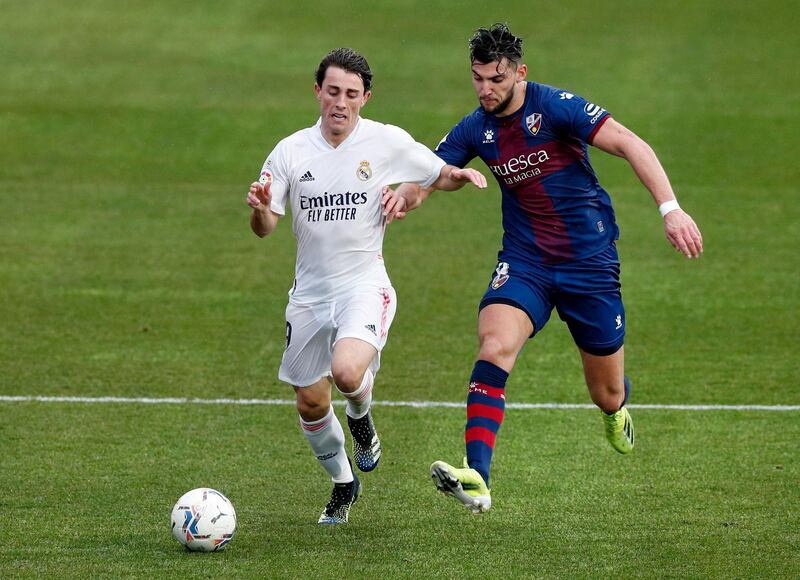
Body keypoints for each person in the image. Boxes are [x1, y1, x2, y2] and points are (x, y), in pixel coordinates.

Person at [384, 24, 703, 513]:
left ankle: (617, 411)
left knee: (606, 391)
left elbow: (631, 144)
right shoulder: (475, 128)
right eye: (477, 78)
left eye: (496, 78)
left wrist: (671, 209)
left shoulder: (556, 107)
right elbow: (429, 175)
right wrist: (403, 197)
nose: (486, 89)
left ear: (520, 73)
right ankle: (478, 477)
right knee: (494, 343)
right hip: (526, 261)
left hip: (589, 264)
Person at [246, 48, 486, 524]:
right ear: (318, 92)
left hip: (364, 284)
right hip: (309, 296)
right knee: (310, 401)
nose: (340, 102)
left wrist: (457, 175)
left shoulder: (385, 141)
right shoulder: (290, 151)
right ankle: (343, 484)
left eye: (351, 94)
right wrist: (258, 207)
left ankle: (361, 419)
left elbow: (438, 174)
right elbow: (265, 226)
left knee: (348, 373)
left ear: (365, 98)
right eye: (333, 91)